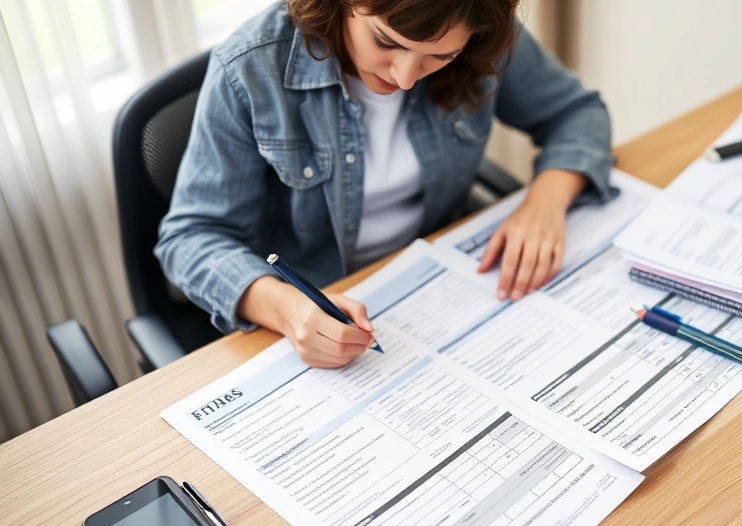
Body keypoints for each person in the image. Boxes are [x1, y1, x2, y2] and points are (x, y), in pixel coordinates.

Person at [155, 0, 614, 368]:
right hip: (315, 314)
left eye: (441, 56)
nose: (405, 77)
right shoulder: (250, 70)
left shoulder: (480, 24)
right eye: (386, 42)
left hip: (439, 285)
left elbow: (576, 112)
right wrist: (288, 309)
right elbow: (191, 239)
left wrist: (546, 201)